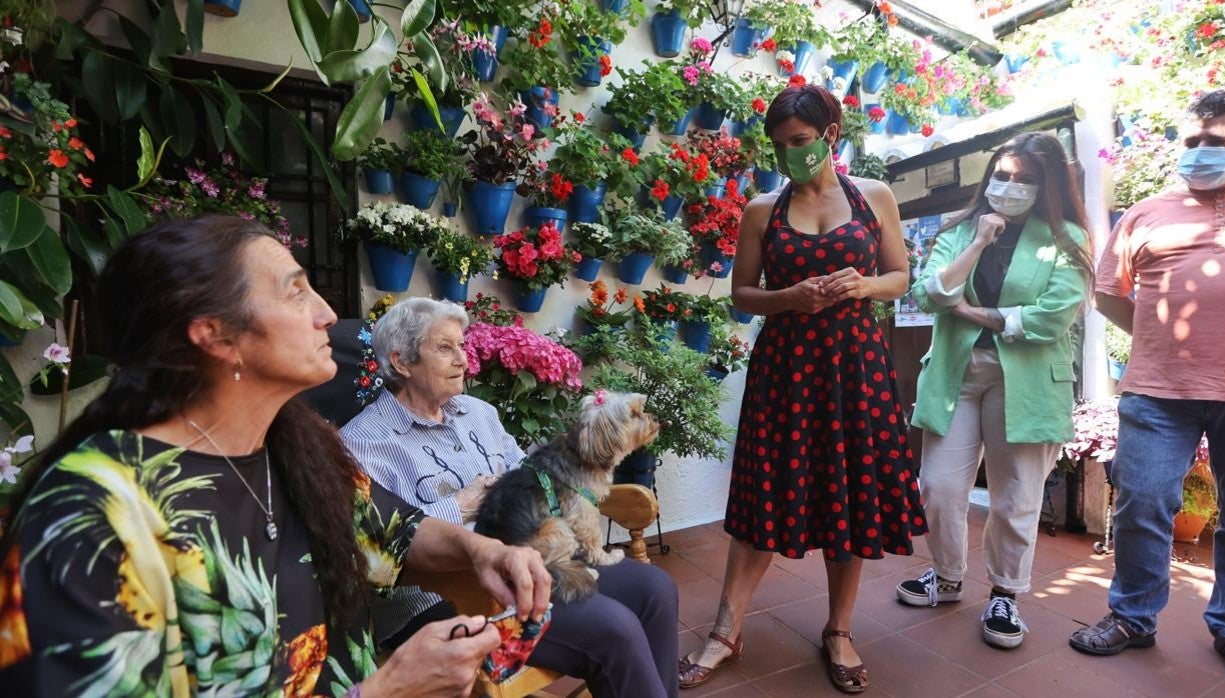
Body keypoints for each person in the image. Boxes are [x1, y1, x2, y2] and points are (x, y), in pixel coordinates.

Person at [0, 217, 551, 697]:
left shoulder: (296, 444)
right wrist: (388, 690)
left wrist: (480, 550)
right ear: (215, 336)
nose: (327, 313)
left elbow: (394, 533)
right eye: (295, 292)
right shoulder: (92, 517)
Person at [677, 84, 926, 694]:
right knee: (764, 493)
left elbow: (900, 276)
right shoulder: (762, 210)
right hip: (785, 371)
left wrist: (863, 285)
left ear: (831, 134)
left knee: (850, 494)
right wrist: (788, 298)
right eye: (780, 145)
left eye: (801, 140)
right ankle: (726, 630)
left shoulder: (874, 196)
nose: (790, 153)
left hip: (856, 370)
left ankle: (839, 630)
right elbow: (742, 294)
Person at [340, 297, 680, 698]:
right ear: (401, 362)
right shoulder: (363, 444)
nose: (463, 359)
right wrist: (461, 505)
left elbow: (533, 480)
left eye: (462, 345)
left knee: (655, 589)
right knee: (614, 629)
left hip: (534, 561)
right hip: (456, 597)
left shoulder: (478, 413)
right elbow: (380, 551)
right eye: (445, 348)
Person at [1069, 88, 1225, 689]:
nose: (1202, 150)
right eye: (1192, 140)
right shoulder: (1146, 212)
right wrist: (1161, 340)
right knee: (1142, 501)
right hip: (1158, 390)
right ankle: (1133, 616)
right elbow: (1109, 293)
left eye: (1219, 141)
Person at [899, 133, 1092, 648]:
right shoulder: (960, 229)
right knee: (938, 487)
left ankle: (1006, 593)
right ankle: (946, 576)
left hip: (1026, 381)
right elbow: (930, 294)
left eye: (1025, 179)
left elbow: (1051, 318)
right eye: (1002, 175)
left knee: (1015, 495)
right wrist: (980, 242)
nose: (1010, 185)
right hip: (955, 374)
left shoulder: (1066, 237)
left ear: (1047, 185)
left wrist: (973, 312)